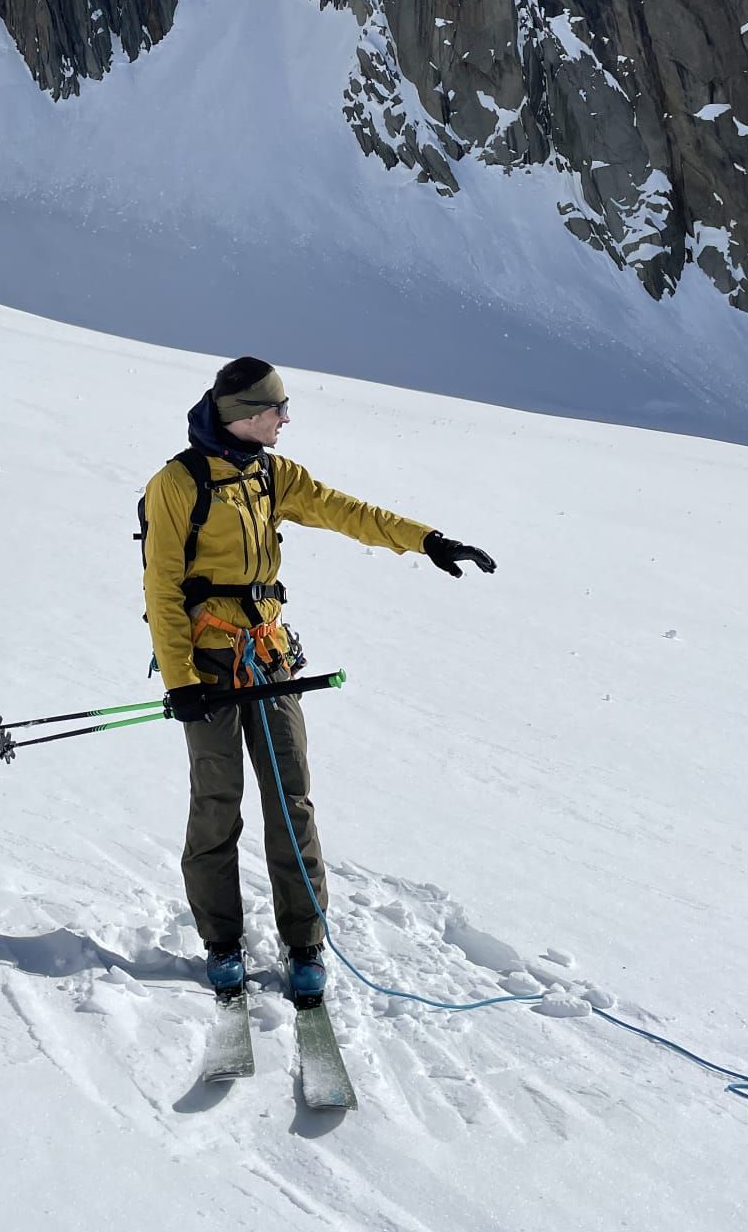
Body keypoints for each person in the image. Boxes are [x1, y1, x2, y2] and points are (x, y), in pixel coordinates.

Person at [141, 356, 496, 1001]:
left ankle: (303, 942)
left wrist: (428, 540)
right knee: (217, 801)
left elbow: (345, 511)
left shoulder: (274, 475)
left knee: (290, 799)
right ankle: (221, 941)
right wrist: (180, 679)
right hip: (206, 662)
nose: (285, 419)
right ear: (246, 415)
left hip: (269, 655)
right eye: (277, 408)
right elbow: (162, 586)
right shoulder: (177, 484)